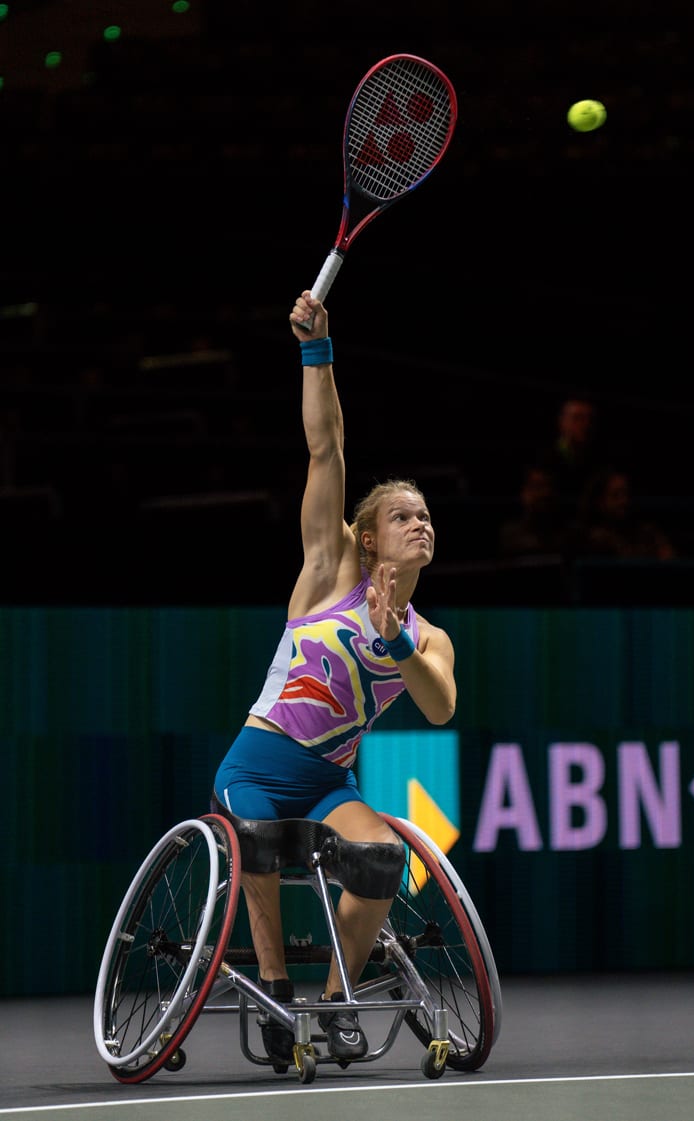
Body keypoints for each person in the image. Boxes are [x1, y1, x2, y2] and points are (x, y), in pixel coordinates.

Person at [212, 289, 457, 1066]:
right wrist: (317, 349)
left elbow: (440, 705)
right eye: (403, 514)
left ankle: (334, 996)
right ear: (367, 534)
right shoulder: (329, 575)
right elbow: (327, 451)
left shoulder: (429, 635)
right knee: (255, 842)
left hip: (327, 783)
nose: (420, 521)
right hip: (256, 764)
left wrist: (399, 647)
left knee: (385, 859)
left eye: (426, 516)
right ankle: (280, 995)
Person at [572, 467, 676, 560]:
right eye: (616, 496)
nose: (624, 501)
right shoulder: (583, 537)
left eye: (626, 494)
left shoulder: (646, 534)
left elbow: (669, 562)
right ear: (599, 501)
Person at [497, 462, 569, 559]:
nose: (545, 493)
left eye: (550, 486)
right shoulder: (511, 535)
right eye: (538, 487)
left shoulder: (570, 534)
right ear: (524, 492)